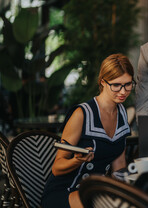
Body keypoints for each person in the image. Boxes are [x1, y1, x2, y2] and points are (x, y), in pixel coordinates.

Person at [42, 54, 135, 208]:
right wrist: (77, 160)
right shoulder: (82, 114)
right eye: (116, 85)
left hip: (94, 190)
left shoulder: (122, 112)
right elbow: (57, 168)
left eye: (128, 84)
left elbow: (119, 166)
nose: (123, 91)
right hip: (65, 191)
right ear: (103, 82)